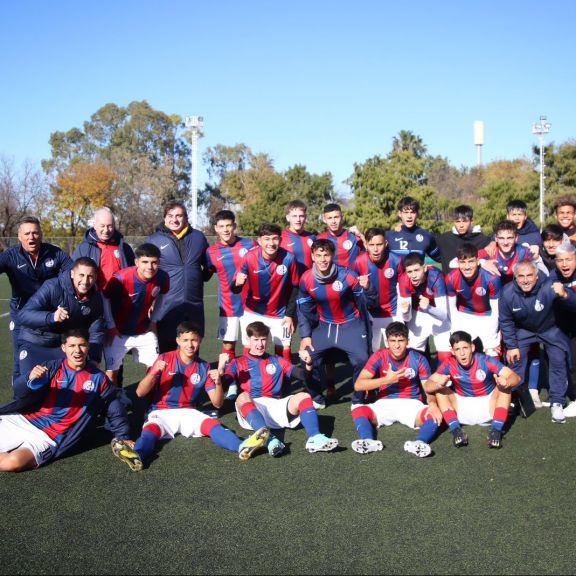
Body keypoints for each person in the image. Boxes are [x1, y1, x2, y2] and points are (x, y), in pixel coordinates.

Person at [111, 322, 270, 470]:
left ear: (200, 341)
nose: (190, 344)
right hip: (161, 411)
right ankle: (136, 455)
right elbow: (140, 392)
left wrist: (219, 383)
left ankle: (242, 446)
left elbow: (217, 403)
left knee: (213, 426)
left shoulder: (203, 366)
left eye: (194, 340)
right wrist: (154, 372)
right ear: (178, 341)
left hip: (188, 412)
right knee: (150, 433)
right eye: (185, 340)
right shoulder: (164, 359)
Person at [0, 328, 133, 472]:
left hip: (48, 438)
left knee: (12, 463)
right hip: (24, 420)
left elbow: (113, 408)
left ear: (88, 346)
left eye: (82, 345)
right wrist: (29, 378)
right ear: (63, 348)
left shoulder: (99, 379)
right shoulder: (52, 367)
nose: (77, 350)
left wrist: (123, 436)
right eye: (72, 346)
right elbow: (19, 392)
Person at [222, 321, 338, 457]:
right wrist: (220, 373)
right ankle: (269, 440)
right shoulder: (237, 362)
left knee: (304, 396)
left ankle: (315, 438)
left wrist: (309, 364)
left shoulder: (277, 360)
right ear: (248, 340)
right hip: (252, 410)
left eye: (263, 339)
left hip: (276, 406)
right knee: (241, 397)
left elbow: (303, 376)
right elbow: (225, 383)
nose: (260, 344)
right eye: (256, 340)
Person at [499, 260, 576, 423]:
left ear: (536, 276)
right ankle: (517, 399)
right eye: (521, 276)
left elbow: (574, 304)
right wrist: (512, 346)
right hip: (524, 331)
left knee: (557, 359)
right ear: (515, 277)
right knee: (515, 359)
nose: (525, 280)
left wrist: (565, 295)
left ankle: (557, 402)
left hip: (550, 328)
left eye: (529, 276)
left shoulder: (550, 286)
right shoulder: (507, 293)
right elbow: (505, 321)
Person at [298, 239, 372, 405]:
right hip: (325, 326)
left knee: (362, 360)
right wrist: (305, 335)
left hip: (351, 324)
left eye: (326, 255)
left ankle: (358, 399)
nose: (323, 259)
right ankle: (317, 398)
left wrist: (368, 289)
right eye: (319, 255)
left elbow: (367, 304)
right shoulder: (306, 279)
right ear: (312, 256)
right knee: (306, 358)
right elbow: (303, 310)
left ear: (332, 256)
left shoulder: (348, 276)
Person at [350, 322, 442, 457]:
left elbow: (427, 388)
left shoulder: (419, 358)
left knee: (435, 415)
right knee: (358, 409)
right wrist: (387, 380)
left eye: (401, 340)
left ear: (408, 341)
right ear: (387, 342)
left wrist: (433, 404)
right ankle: (368, 441)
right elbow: (358, 385)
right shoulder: (379, 356)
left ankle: (420, 443)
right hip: (384, 403)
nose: (397, 345)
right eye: (393, 341)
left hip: (411, 404)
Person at [0, 216, 73, 382]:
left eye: (35, 233)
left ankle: (56, 399)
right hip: (21, 316)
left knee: (57, 358)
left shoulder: (55, 253)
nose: (31, 237)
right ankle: (20, 399)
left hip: (49, 315)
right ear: (19, 237)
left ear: (41, 234)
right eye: (27, 234)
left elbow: (72, 271)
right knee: (20, 360)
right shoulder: (10, 256)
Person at [424, 331, 520, 449]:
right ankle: (456, 431)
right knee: (440, 389)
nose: (462, 353)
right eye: (458, 349)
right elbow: (428, 385)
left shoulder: (486, 360)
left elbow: (515, 377)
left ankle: (496, 431)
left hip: (489, 408)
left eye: (465, 348)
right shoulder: (449, 363)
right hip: (462, 409)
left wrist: (507, 382)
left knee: (505, 388)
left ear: (472, 347)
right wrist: (438, 385)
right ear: (453, 352)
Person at [18, 257, 106, 376]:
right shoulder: (53, 286)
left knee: (66, 387)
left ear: (95, 277)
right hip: (35, 342)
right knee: (30, 386)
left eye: (90, 276)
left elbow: (96, 330)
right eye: (81, 275)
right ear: (72, 274)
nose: (85, 281)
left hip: (62, 347)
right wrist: (51, 317)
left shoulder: (95, 298)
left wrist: (95, 359)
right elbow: (24, 315)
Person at [146, 200, 211, 352]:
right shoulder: (154, 240)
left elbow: (208, 266)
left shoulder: (198, 237)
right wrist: (149, 301)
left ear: (185, 218)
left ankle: (192, 376)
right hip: (167, 304)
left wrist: (200, 278)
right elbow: (146, 274)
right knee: (167, 350)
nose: (174, 220)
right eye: (170, 216)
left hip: (193, 304)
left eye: (179, 216)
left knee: (192, 347)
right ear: (164, 218)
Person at [102, 243, 170, 385]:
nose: (150, 267)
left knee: (155, 370)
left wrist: (153, 321)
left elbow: (162, 296)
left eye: (154, 262)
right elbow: (105, 299)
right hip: (117, 332)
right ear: (136, 262)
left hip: (143, 330)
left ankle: (152, 403)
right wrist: (111, 326)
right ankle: (112, 402)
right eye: (145, 262)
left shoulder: (163, 277)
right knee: (111, 374)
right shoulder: (121, 278)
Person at [233, 223, 299, 363]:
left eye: (275, 239)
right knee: (250, 348)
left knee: (284, 350)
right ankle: (249, 383)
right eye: (267, 239)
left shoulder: (289, 258)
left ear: (281, 240)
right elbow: (235, 288)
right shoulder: (249, 257)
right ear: (259, 240)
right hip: (252, 312)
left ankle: (283, 384)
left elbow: (295, 287)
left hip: (280, 313)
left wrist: (289, 314)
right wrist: (237, 283)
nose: (271, 243)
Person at [205, 210, 256, 373]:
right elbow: (208, 271)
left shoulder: (250, 245)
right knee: (228, 344)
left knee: (251, 343)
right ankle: (230, 379)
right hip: (227, 306)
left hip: (250, 305)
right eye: (222, 226)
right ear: (216, 228)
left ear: (234, 226)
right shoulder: (211, 252)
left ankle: (250, 378)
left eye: (229, 225)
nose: (226, 230)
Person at [352, 227, 404, 351]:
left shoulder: (396, 260)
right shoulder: (359, 262)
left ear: (385, 244)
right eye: (371, 245)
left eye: (379, 244)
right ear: (366, 245)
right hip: (369, 314)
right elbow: (353, 293)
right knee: (372, 353)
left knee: (397, 352)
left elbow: (404, 288)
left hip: (393, 313)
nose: (375, 249)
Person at [445, 243, 501, 356]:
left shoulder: (492, 278)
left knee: (492, 354)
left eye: (471, 261)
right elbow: (451, 308)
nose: (467, 267)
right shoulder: (451, 278)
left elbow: (496, 311)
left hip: (488, 316)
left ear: (478, 261)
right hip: (464, 315)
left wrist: (492, 334)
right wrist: (456, 329)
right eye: (463, 262)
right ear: (457, 263)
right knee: (461, 353)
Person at [396, 252, 451, 364]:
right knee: (412, 354)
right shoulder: (403, 280)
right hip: (418, 312)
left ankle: (445, 380)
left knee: (445, 355)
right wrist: (405, 311)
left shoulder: (435, 276)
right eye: (410, 272)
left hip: (436, 311)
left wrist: (428, 308)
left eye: (417, 270)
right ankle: (420, 378)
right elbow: (406, 318)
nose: (413, 275)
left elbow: (443, 315)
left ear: (424, 268)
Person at [72, 207, 135, 290]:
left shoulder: (124, 248)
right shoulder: (83, 249)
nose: (106, 230)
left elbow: (133, 273)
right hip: (94, 298)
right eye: (102, 226)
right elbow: (72, 274)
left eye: (110, 226)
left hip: (119, 296)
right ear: (94, 226)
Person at [548, 243, 576, 415]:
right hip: (564, 324)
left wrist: (565, 295)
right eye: (560, 260)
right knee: (560, 357)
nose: (564, 264)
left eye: (568, 259)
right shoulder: (553, 276)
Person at [435, 205, 494, 275]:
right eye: (458, 221)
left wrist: (493, 242)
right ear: (454, 222)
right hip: (450, 284)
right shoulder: (444, 239)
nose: (461, 225)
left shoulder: (482, 240)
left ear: (471, 221)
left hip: (475, 285)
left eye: (465, 221)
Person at [386, 196, 441, 265]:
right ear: (400, 214)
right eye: (406, 212)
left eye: (412, 212)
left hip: (416, 275)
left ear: (417, 214)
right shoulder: (389, 236)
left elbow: (443, 258)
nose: (409, 216)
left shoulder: (426, 236)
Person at [317, 202, 364, 269]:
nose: (333, 221)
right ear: (324, 220)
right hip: (330, 279)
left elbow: (371, 251)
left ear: (342, 217)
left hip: (352, 278)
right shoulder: (319, 239)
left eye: (336, 217)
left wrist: (361, 236)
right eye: (330, 218)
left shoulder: (353, 236)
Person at [280, 199, 316, 278]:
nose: (298, 220)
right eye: (294, 216)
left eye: (301, 216)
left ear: (305, 217)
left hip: (308, 284)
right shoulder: (280, 238)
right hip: (287, 285)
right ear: (288, 218)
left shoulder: (312, 237)